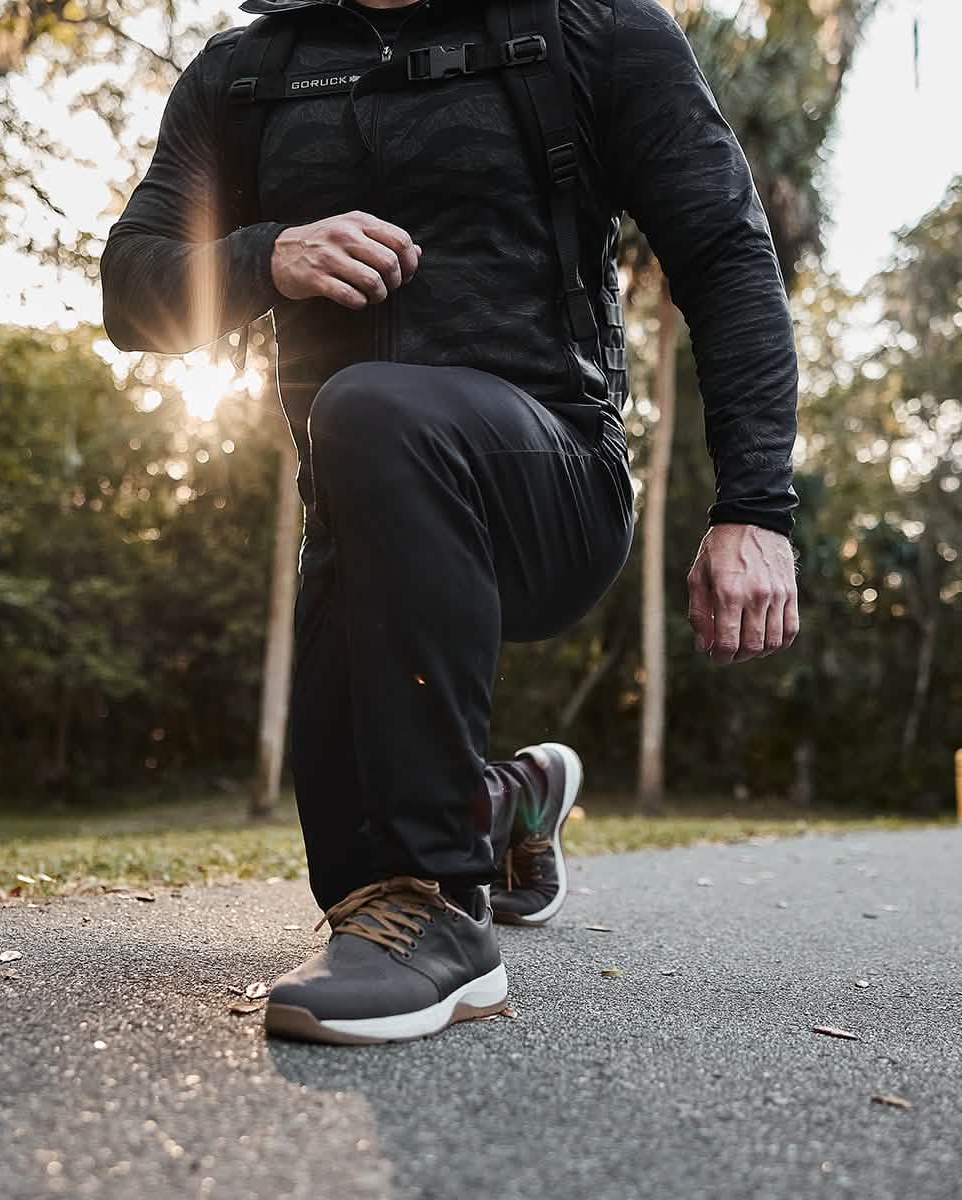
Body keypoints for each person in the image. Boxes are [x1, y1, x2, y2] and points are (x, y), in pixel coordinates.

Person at [100, 0, 801, 1045]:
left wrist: (754, 506)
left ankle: (446, 917)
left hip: (554, 485)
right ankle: (505, 799)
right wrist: (264, 257)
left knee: (376, 409)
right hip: (361, 524)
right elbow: (130, 289)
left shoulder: (591, 31)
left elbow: (726, 255)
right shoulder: (246, 74)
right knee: (349, 872)